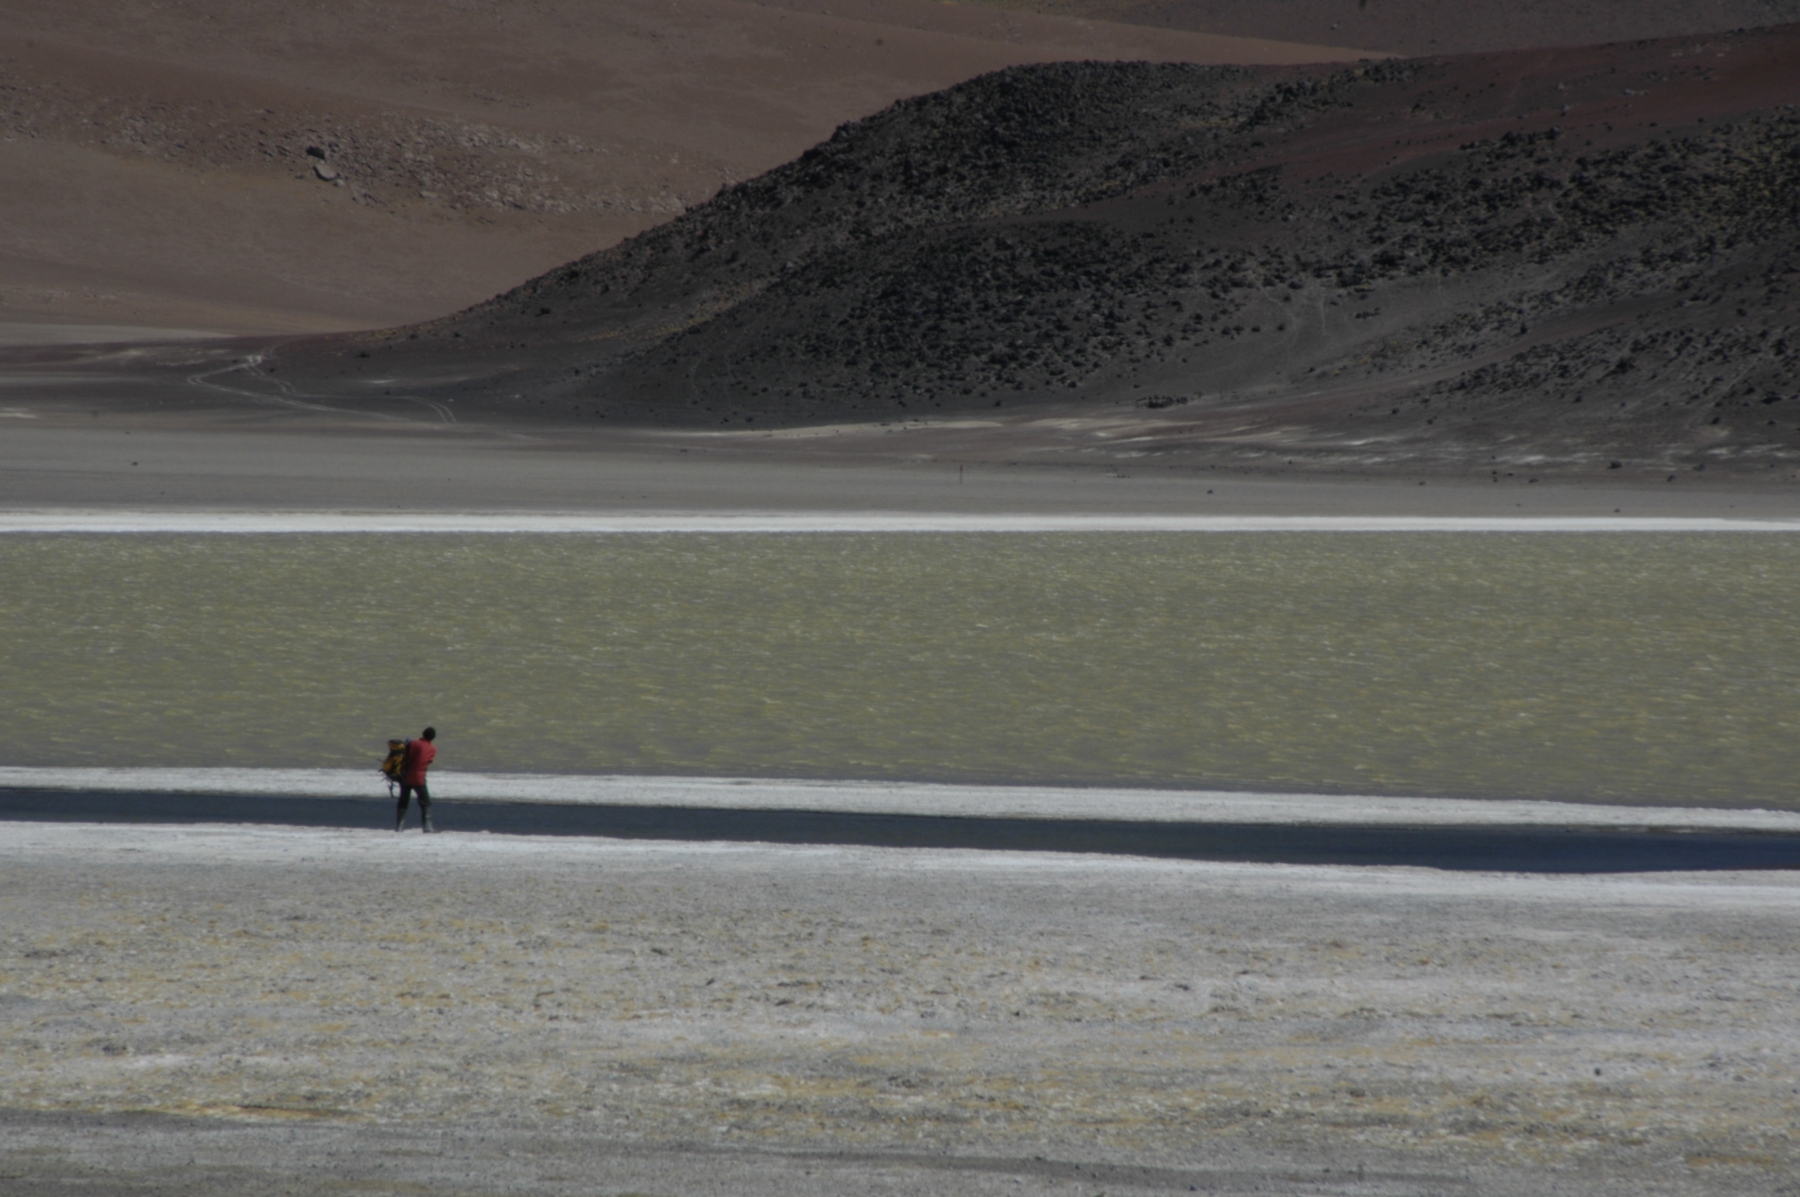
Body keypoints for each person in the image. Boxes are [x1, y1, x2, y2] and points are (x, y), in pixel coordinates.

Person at [396, 727, 438, 833]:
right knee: (426, 803)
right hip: (419, 778)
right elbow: (427, 762)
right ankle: (427, 827)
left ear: (423, 734)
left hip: (405, 777)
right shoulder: (432, 749)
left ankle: (399, 827)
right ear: (433, 737)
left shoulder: (413, 743)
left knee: (403, 802)